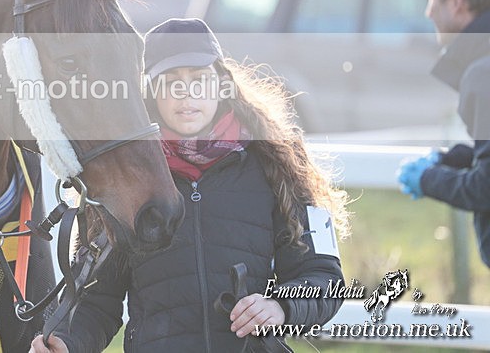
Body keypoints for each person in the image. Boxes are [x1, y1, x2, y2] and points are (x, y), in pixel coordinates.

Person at [31, 18, 350, 352]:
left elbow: (324, 278)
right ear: (150, 94)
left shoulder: (278, 162)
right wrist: (67, 343)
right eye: (170, 83)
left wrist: (281, 307)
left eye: (199, 80)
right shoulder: (124, 180)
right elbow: (96, 301)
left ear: (222, 84)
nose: (186, 95)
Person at [397, 0, 490, 267]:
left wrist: (428, 180)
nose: (428, 11)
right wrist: (450, 159)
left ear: (456, 1)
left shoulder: (483, 73)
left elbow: (486, 187)